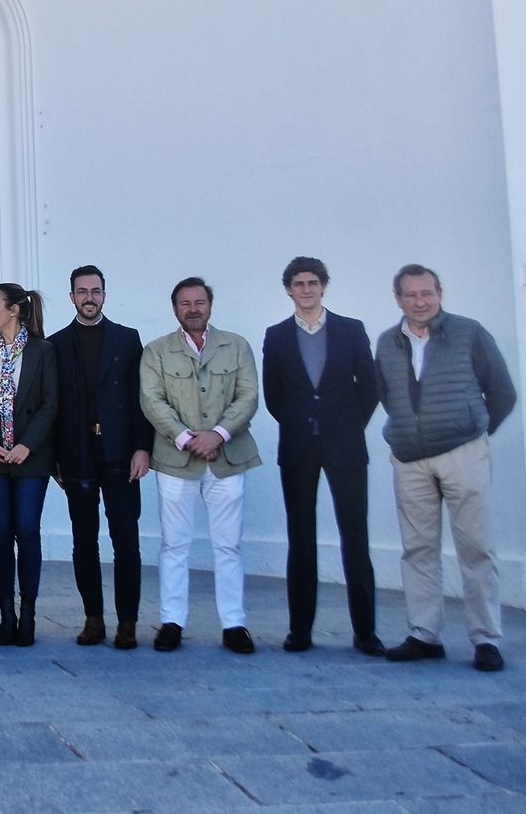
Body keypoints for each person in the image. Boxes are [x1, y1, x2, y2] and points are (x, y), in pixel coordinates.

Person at [376, 264, 516, 672]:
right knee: (418, 549)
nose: (420, 301)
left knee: (475, 548)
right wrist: (407, 429)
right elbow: (386, 394)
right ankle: (424, 634)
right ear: (398, 298)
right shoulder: (387, 342)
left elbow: (502, 391)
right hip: (410, 459)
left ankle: (486, 639)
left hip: (463, 454)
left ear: (440, 293)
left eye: (427, 293)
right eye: (410, 294)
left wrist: (473, 428)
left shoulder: (469, 333)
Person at [261, 256, 383, 656]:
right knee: (301, 540)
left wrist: (347, 426)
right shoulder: (276, 336)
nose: (307, 289)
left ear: (324, 286)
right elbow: (274, 395)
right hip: (298, 448)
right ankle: (300, 630)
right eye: (299, 283)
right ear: (289, 289)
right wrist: (304, 424)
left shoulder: (350, 330)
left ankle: (365, 631)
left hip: (345, 447)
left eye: (313, 282)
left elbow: (369, 386)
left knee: (355, 538)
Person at [139, 276, 261, 654]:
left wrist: (219, 434)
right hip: (177, 460)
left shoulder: (236, 346)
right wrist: (186, 438)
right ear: (175, 308)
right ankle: (172, 621)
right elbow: (152, 399)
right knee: (174, 544)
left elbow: (248, 396)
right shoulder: (157, 351)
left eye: (200, 302)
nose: (193, 309)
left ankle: (234, 624)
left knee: (228, 545)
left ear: (211, 305)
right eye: (185, 303)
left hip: (227, 458)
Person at [50, 265, 153, 650]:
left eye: (95, 291)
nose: (89, 297)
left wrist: (143, 447)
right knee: (83, 541)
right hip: (76, 456)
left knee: (126, 541)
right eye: (82, 291)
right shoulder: (56, 344)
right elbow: (53, 405)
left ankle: (128, 622)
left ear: (105, 296)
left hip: (121, 455)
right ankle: (93, 619)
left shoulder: (128, 340)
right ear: (72, 297)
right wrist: (55, 459)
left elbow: (142, 397)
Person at [0, 283, 58, 646]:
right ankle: (7, 617)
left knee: (27, 530)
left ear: (15, 310)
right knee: (2, 534)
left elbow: (52, 403)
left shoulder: (44, 351)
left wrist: (27, 445)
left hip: (30, 459)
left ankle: (29, 616)